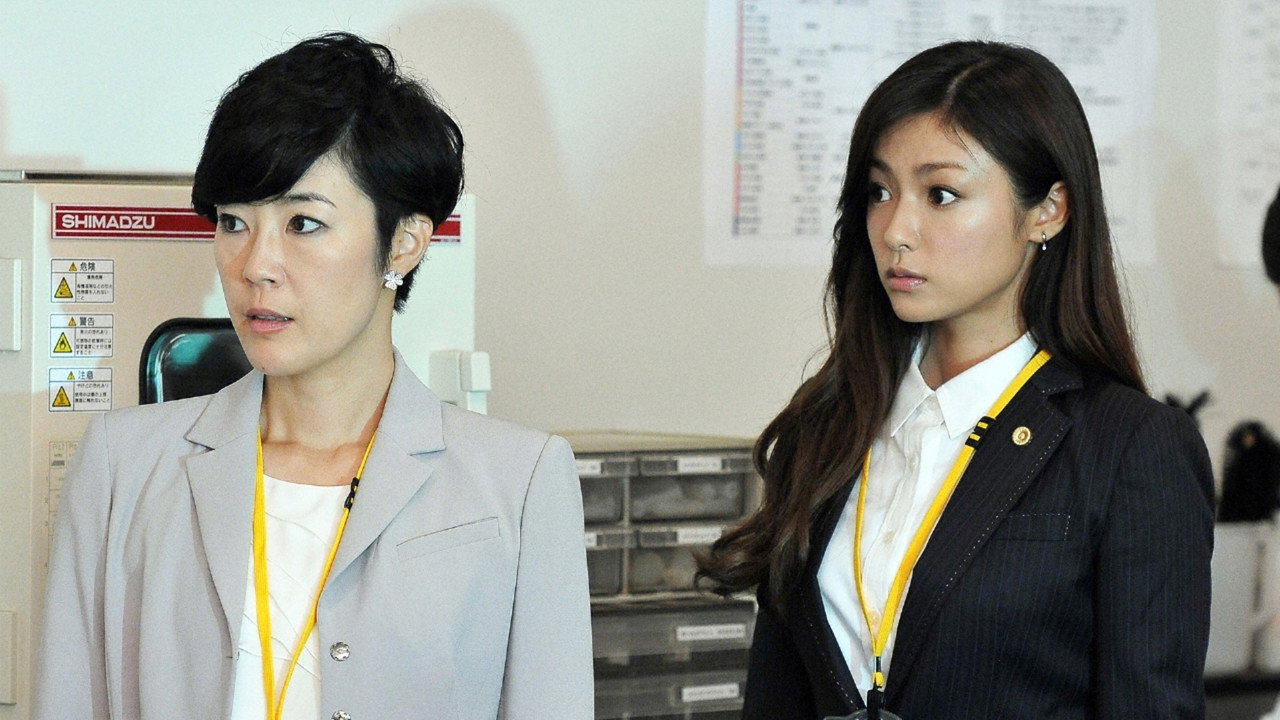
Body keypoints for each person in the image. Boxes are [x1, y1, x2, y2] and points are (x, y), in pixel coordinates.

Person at [33, 33, 592, 720]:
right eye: (233, 222)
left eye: (302, 223)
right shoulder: (122, 465)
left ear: (404, 243)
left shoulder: (519, 481)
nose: (255, 265)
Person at [697, 40, 1213, 719]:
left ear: (1048, 210)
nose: (895, 230)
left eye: (941, 194)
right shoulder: (829, 425)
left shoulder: (1132, 446)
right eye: (880, 191)